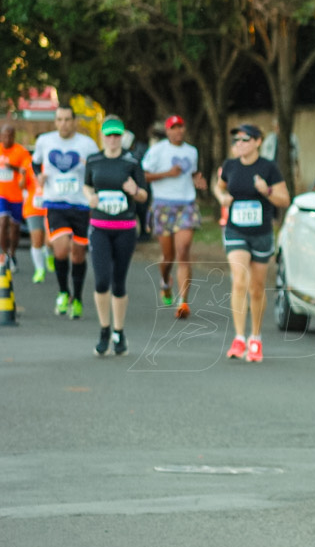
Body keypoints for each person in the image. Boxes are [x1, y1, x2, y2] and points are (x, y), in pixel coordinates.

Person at [214, 123, 290, 363]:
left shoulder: (269, 168)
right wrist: (222, 197)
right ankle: (239, 337)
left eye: (244, 139)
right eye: (236, 140)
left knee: (256, 288)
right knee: (239, 280)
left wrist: (265, 190)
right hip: (236, 231)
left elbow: (284, 200)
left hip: (261, 233)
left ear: (258, 141)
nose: (239, 144)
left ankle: (255, 338)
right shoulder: (230, 166)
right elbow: (220, 185)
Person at [83, 116, 148, 355]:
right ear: (102, 136)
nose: (112, 139)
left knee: (118, 281)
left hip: (124, 228)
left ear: (122, 136)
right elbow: (87, 185)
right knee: (101, 280)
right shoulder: (94, 160)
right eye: (108, 135)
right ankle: (104, 328)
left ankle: (119, 331)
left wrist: (135, 191)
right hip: (99, 226)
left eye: (116, 135)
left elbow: (143, 196)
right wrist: (90, 196)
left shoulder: (131, 162)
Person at [32, 105, 100, 319]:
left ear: (74, 121)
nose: (63, 124)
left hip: (80, 205)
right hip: (55, 203)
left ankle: (77, 298)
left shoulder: (87, 144)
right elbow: (35, 164)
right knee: (60, 250)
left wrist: (88, 168)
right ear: (55, 121)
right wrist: (39, 177)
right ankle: (63, 292)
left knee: (78, 254)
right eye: (59, 119)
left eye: (67, 119)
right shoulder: (45, 141)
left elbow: (98, 169)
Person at [142, 114, 206, 319]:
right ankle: (165, 280)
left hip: (186, 205)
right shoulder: (157, 150)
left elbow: (194, 173)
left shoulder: (191, 152)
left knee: (183, 250)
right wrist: (167, 174)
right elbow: (143, 175)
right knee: (168, 256)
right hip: (163, 205)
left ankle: (183, 302)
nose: (178, 131)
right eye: (173, 128)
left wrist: (198, 180)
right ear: (167, 131)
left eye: (181, 127)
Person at [0, 124, 32, 272]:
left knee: (15, 229)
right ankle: (4, 254)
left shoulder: (21, 151)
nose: (7, 138)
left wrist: (11, 167)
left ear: (14, 136)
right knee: (3, 222)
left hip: (17, 197)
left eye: (10, 136)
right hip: (2, 195)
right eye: (5, 135)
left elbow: (24, 169)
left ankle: (12, 254)